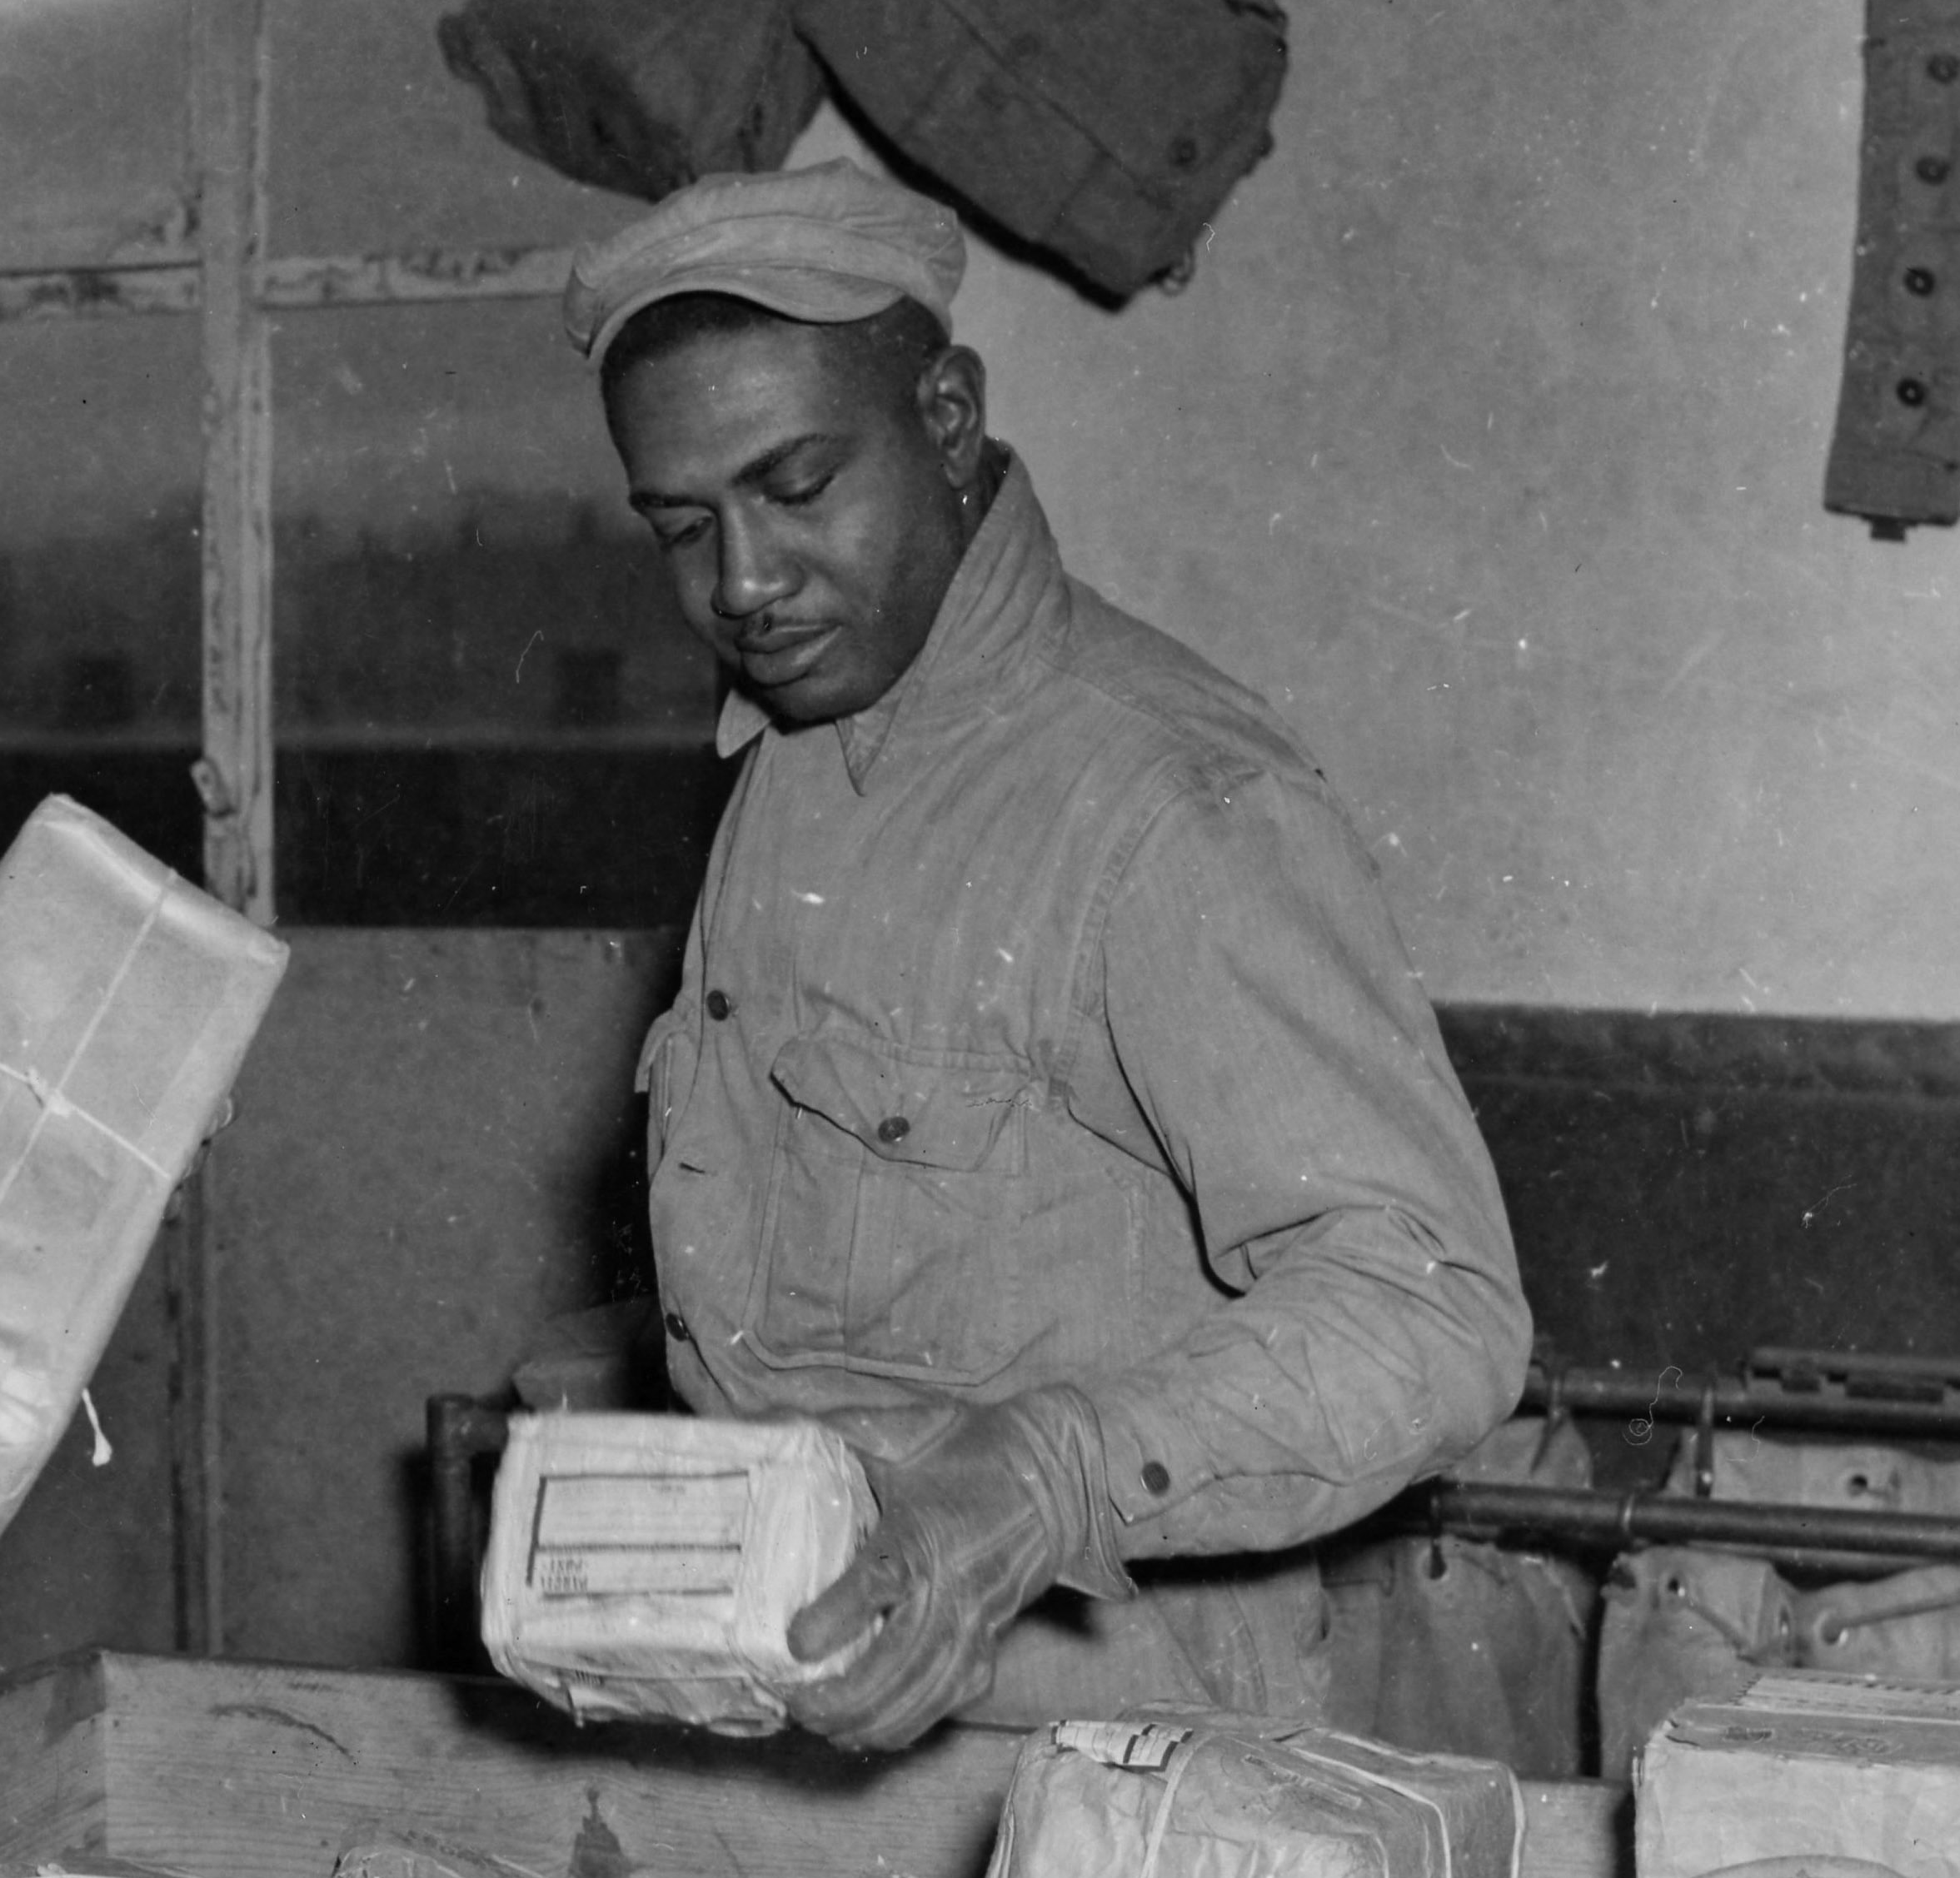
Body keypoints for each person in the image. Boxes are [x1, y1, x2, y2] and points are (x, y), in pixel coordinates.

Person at [581, 162, 1530, 1753]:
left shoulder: (1168, 802)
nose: (743, 584)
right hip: (811, 1702)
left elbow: (1434, 1312)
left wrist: (1047, 1475)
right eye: (685, 527)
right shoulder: (800, 748)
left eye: (799, 487)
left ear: (948, 419)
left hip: (1110, 1747)